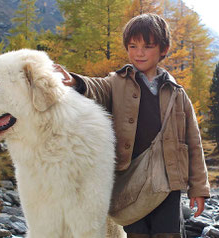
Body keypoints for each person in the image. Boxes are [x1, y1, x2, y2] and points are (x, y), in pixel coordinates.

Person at [55, 13, 210, 238]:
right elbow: (96, 87)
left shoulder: (177, 94)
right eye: (132, 45)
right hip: (130, 180)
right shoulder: (117, 82)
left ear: (163, 49)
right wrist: (76, 81)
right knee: (136, 235)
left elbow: (193, 142)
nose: (139, 52)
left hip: (168, 182)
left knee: (169, 234)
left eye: (147, 46)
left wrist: (199, 189)